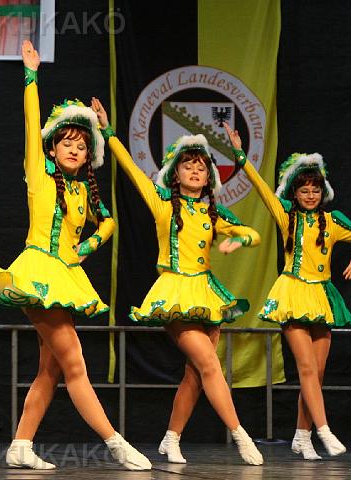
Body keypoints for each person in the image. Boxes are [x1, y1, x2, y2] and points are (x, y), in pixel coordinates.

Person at [0, 41, 150, 471]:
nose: (73, 149)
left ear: (89, 156)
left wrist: (84, 248)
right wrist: (31, 77)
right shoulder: (39, 173)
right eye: (66, 142)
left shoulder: (83, 192)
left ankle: (20, 445)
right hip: (36, 273)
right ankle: (116, 443)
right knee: (75, 364)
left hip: (65, 276)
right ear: (52, 148)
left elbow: (108, 223)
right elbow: (31, 123)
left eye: (81, 145)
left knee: (49, 370)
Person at [92, 99, 264, 466]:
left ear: (209, 176)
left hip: (206, 293)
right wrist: (109, 133)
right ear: (175, 172)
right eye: (189, 166)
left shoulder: (214, 213)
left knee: (196, 374)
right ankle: (241, 435)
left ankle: (171, 439)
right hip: (175, 292)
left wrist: (239, 240)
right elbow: (132, 170)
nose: (196, 171)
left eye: (202, 167)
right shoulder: (164, 205)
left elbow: (254, 233)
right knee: (210, 366)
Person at [224, 122, 351, 459]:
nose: (310, 195)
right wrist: (240, 155)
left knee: (316, 374)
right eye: (304, 190)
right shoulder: (286, 217)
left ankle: (301, 436)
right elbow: (262, 189)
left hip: (321, 296)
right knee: (307, 369)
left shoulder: (333, 221)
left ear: (323, 192)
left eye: (315, 190)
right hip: (293, 295)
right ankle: (324, 430)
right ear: (293, 193)